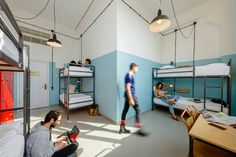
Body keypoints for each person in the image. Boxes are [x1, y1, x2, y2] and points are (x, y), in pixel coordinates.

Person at [119, 63, 143, 134]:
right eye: (137, 68)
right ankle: (139, 129)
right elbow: (127, 87)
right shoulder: (129, 75)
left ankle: (122, 128)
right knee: (138, 110)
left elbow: (129, 87)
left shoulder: (129, 75)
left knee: (125, 111)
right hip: (130, 96)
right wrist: (131, 98)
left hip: (128, 95)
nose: (137, 70)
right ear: (133, 67)